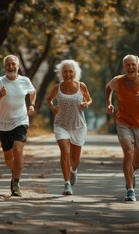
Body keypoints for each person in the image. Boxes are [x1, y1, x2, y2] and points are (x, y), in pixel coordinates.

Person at [105, 54, 139, 202]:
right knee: (128, 152)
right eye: (127, 65)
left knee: (137, 163)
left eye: (133, 64)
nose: (130, 67)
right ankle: (130, 190)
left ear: (138, 66)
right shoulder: (117, 81)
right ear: (124, 67)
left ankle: (131, 172)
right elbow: (108, 88)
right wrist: (109, 103)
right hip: (123, 122)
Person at [0, 54, 36, 197]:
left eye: (13, 63)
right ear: (5, 66)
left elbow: (33, 92)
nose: (10, 66)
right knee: (8, 158)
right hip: (4, 124)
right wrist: (0, 95)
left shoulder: (25, 81)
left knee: (18, 151)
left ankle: (16, 183)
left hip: (20, 121)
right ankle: (14, 172)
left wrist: (32, 104)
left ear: (18, 66)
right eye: (8, 64)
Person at [46, 59, 92, 195]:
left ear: (75, 73)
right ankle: (66, 184)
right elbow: (49, 99)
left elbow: (89, 98)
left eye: (70, 71)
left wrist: (86, 103)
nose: (68, 74)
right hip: (61, 124)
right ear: (61, 73)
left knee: (75, 160)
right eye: (65, 72)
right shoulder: (57, 88)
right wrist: (52, 107)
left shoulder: (81, 86)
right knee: (65, 152)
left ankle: (73, 170)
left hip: (78, 125)